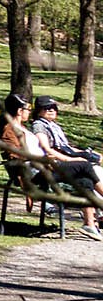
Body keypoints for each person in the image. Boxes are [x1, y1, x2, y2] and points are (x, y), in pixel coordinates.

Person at [24, 94, 103, 240]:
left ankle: (91, 223)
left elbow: (66, 147)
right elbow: (47, 149)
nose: (52, 110)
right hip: (53, 167)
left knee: (88, 177)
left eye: (53, 108)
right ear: (39, 111)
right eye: (47, 108)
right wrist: (72, 159)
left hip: (60, 164)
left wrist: (87, 153)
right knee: (88, 168)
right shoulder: (39, 125)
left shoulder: (54, 126)